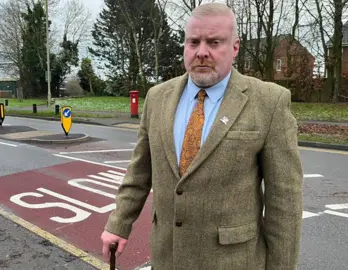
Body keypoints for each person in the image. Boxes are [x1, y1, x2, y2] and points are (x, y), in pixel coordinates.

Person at [100, 2, 303, 269]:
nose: (202, 52)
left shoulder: (269, 102)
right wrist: (119, 223)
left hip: (234, 261)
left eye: (214, 42)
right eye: (193, 42)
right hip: (167, 257)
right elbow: (139, 172)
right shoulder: (157, 98)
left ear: (235, 47)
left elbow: (284, 202)